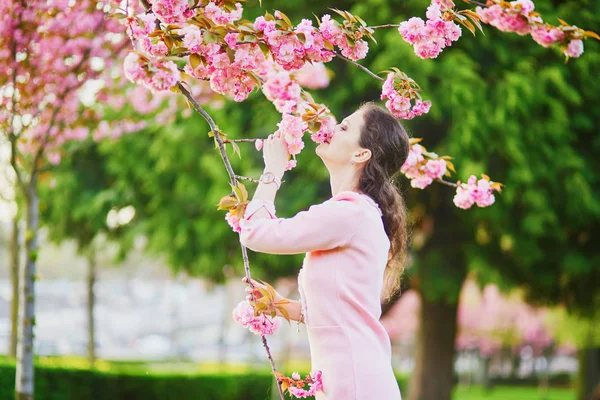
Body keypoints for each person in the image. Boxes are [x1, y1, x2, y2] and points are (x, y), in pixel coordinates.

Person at [239, 101, 410, 400]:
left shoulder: (350, 213)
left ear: (361, 154)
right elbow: (343, 313)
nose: (331, 129)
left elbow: (254, 233)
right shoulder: (357, 214)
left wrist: (273, 169)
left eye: (344, 127)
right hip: (353, 379)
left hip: (355, 383)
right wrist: (281, 305)